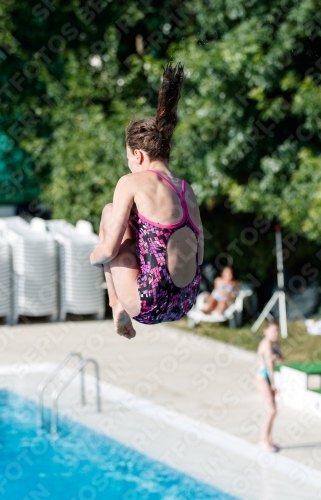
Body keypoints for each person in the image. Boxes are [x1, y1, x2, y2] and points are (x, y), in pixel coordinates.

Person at [90, 62, 204, 339]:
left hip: (148, 304)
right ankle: (121, 305)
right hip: (186, 301)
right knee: (142, 226)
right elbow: (199, 253)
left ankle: (116, 305)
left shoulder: (131, 182)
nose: (129, 165)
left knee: (110, 212)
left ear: (138, 156)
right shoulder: (186, 189)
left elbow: (107, 251)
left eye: (128, 159)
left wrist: (93, 258)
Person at [256, 321, 284, 452]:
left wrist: (276, 356)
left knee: (273, 410)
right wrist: (273, 384)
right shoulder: (267, 343)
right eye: (273, 331)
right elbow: (269, 365)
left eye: (277, 331)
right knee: (271, 410)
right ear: (265, 331)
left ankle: (267, 439)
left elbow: (281, 358)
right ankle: (263, 440)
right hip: (262, 378)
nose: (276, 333)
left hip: (267, 378)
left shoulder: (274, 343)